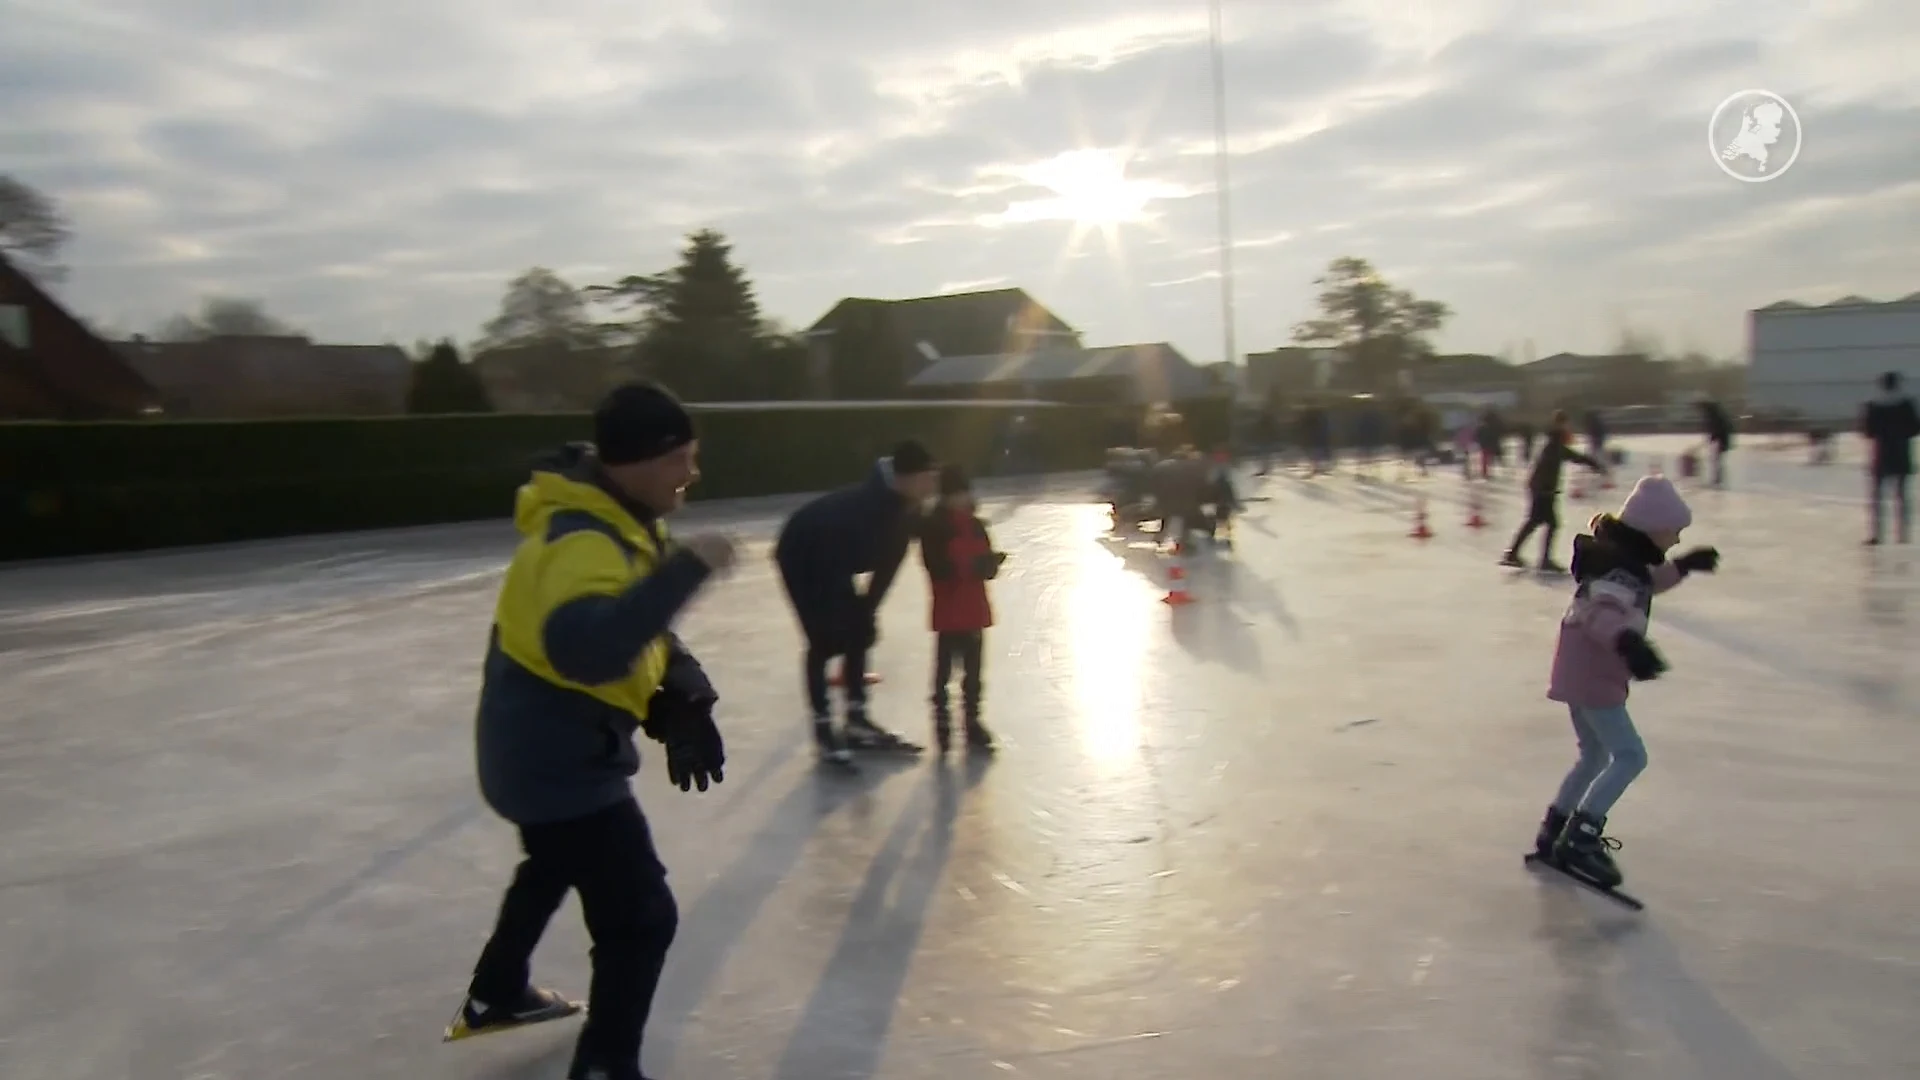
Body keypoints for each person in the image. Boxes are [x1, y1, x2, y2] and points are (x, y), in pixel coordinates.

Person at [450, 382, 737, 1080]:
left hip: (534, 755)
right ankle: (605, 1067)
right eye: (683, 461)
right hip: (559, 767)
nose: (692, 476)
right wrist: (689, 569)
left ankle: (497, 991)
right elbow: (589, 649)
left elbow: (642, 625)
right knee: (641, 919)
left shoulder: (617, 520)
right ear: (643, 460)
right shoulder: (580, 541)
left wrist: (684, 692)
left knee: (551, 862)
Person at [1533, 476, 1719, 888]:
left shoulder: (1623, 561)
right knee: (1630, 756)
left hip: (1580, 671)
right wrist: (1629, 643)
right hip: (1595, 676)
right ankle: (1582, 837)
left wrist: (1684, 566)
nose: (1676, 539)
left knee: (1594, 755)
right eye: (1675, 533)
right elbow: (1601, 614)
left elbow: (1650, 582)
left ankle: (1555, 829)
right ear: (1653, 528)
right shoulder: (1617, 572)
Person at [775, 439, 941, 761]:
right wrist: (846, 609)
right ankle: (824, 727)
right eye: (928, 478)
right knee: (823, 640)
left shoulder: (907, 508)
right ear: (907, 477)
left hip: (840, 559)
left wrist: (868, 609)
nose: (933, 486)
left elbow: (890, 564)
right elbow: (832, 561)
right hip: (802, 551)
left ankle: (856, 720)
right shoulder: (868, 508)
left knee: (859, 633)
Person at [918, 465, 1005, 753]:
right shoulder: (935, 527)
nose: (962, 498)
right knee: (944, 673)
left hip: (975, 611)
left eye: (964, 492)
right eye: (956, 493)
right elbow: (937, 568)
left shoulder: (976, 525)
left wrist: (990, 564)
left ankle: (972, 722)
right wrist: (973, 566)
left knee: (974, 673)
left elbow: (984, 564)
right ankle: (942, 722)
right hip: (949, 612)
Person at [1501, 410, 1609, 573]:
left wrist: (1593, 464)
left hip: (1541, 488)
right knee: (1548, 523)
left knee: (1536, 522)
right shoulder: (1555, 444)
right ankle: (1538, 558)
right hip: (1543, 489)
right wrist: (1595, 465)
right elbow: (1571, 456)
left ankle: (1516, 554)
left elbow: (1572, 456)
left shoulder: (1553, 443)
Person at [1861, 370, 1920, 544]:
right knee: (1902, 495)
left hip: (1881, 452)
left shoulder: (1872, 405)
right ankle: (1902, 534)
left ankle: (1876, 534)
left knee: (1877, 496)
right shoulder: (1907, 404)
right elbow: (1915, 428)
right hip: (1902, 451)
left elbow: (1868, 432)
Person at [1698, 400, 1734, 486]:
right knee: (1715, 461)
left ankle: (1717, 480)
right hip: (1720, 440)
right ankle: (1717, 479)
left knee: (1715, 461)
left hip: (1720, 441)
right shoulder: (1716, 415)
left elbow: (1717, 429)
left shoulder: (1714, 416)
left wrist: (1712, 438)